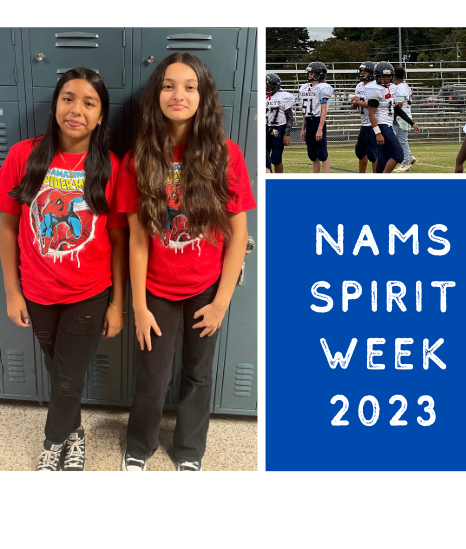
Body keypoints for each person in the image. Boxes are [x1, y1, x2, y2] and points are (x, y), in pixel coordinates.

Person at [118, 53, 256, 471]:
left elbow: (238, 237)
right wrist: (139, 306)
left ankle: (190, 451)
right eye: (168, 85)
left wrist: (220, 303)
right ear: (155, 94)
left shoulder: (225, 154)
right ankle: (139, 447)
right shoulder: (138, 158)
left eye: (189, 86)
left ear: (203, 95)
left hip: (206, 289)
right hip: (156, 289)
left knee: (198, 374)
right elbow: (137, 240)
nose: (178, 94)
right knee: (153, 377)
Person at [0, 68, 126, 471]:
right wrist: (12, 291)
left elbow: (120, 239)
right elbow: (7, 225)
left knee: (68, 378)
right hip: (36, 291)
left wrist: (117, 304)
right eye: (68, 98)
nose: (76, 109)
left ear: (102, 115)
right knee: (60, 373)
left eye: (89, 102)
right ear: (55, 104)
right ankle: (75, 433)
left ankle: (54, 442)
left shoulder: (109, 165)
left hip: (89, 292)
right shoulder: (23, 155)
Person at [362, 62, 404, 174]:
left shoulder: (392, 88)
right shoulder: (374, 89)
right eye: (383, 76)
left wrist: (412, 123)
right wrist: (378, 133)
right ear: (377, 76)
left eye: (388, 77)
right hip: (381, 125)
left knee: (383, 158)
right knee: (398, 154)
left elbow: (395, 108)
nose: (385, 79)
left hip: (388, 124)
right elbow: (371, 113)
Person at [298, 61, 332, 173]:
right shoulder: (304, 88)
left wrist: (320, 128)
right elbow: (305, 111)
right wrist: (303, 128)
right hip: (309, 121)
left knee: (322, 153)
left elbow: (324, 110)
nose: (310, 74)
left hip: (318, 120)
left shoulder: (323, 88)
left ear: (319, 74)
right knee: (312, 154)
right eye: (310, 72)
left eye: (312, 72)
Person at [350, 61, 378, 173]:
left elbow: (372, 105)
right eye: (361, 72)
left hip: (373, 123)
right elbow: (353, 107)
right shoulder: (359, 86)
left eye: (365, 72)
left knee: (373, 153)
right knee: (361, 152)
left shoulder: (375, 86)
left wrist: (358, 102)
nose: (362, 74)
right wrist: (354, 102)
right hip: (364, 123)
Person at [391, 67, 420, 172]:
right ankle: (410, 157)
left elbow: (399, 103)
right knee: (398, 140)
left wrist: (393, 115)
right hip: (402, 116)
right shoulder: (404, 86)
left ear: (394, 77)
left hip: (402, 117)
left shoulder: (400, 87)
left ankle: (405, 162)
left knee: (401, 140)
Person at [264, 73, 293, 173]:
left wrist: (286, 134)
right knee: (265, 158)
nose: (266, 87)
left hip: (278, 129)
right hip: (266, 128)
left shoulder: (283, 96)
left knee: (276, 158)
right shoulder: (262, 96)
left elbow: (289, 117)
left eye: (268, 85)